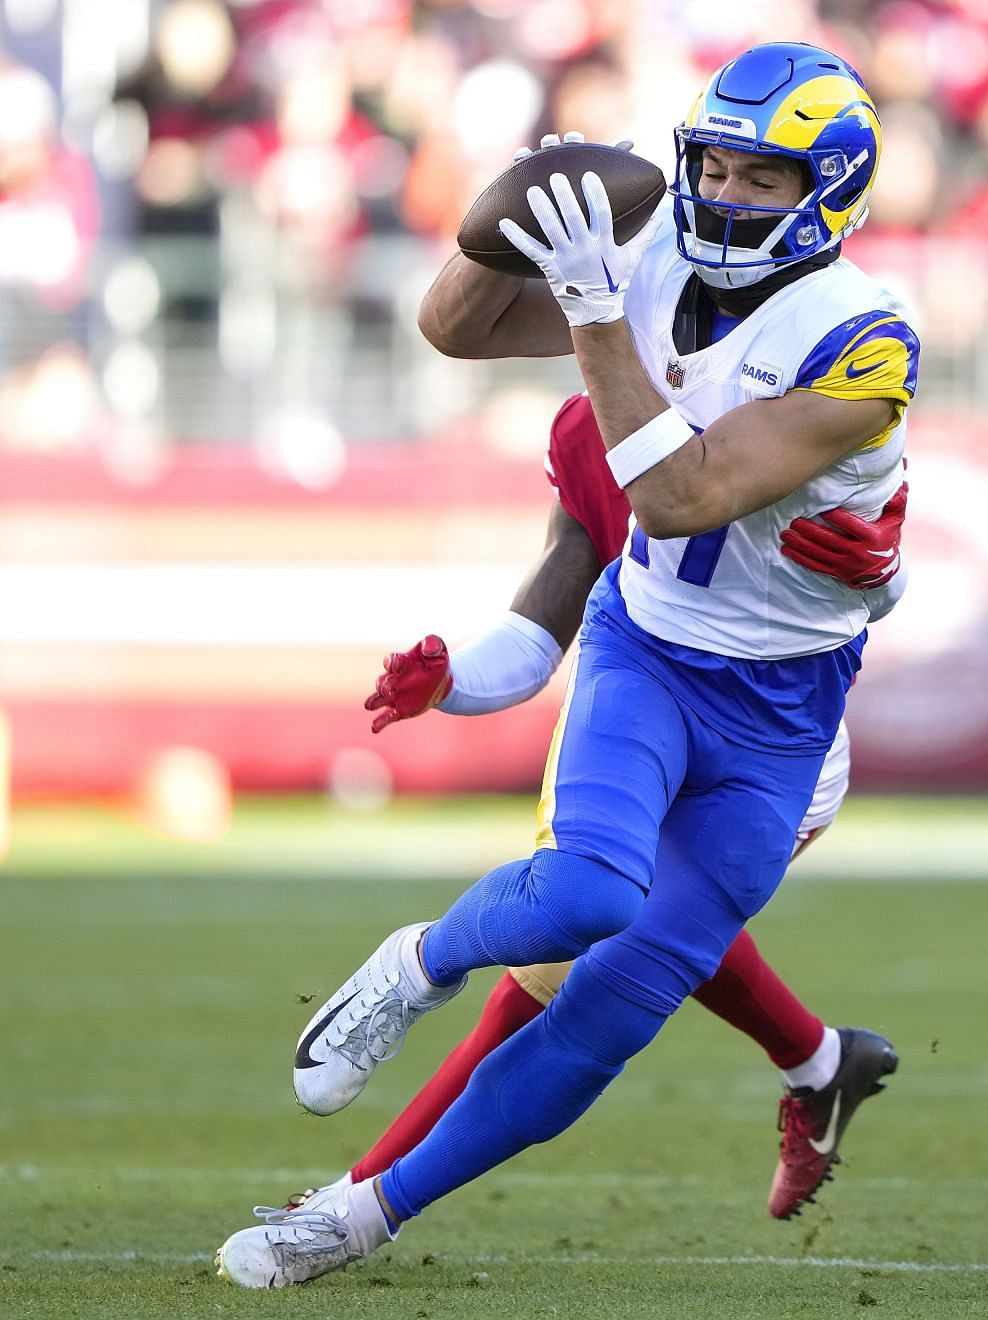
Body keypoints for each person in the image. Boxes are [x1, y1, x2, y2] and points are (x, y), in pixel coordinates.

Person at [216, 42, 918, 1287]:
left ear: (829, 189)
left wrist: (597, 309)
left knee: (611, 1009)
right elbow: (460, 342)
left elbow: (683, 490)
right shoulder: (632, 297)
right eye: (709, 165)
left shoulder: (864, 339)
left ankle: (357, 1219)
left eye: (761, 178)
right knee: (591, 895)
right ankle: (412, 967)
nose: (719, 198)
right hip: (647, 658)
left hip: (784, 724)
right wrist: (501, 221)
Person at [292, 391, 906, 1249]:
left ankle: (353, 1203)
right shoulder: (593, 421)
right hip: (646, 709)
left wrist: (885, 576)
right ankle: (821, 1062)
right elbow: (544, 618)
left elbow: (850, 576)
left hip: (777, 753)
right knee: (616, 912)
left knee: (570, 976)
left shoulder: (782, 381)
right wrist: (453, 682)